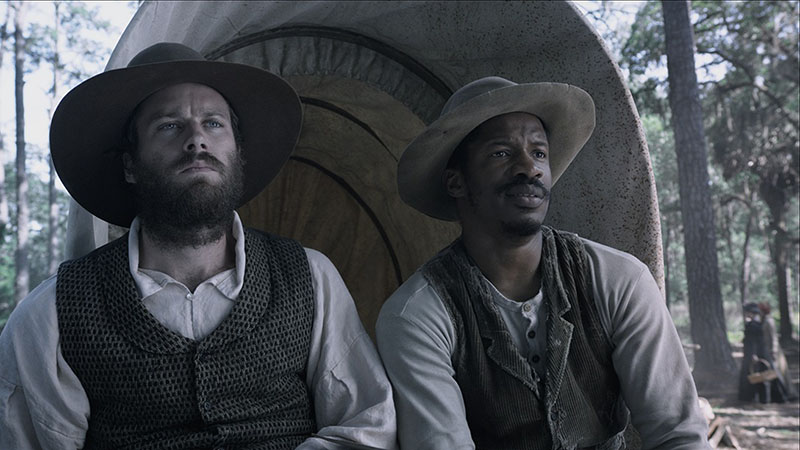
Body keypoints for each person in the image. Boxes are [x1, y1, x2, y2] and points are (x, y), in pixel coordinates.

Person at [0, 43, 396, 450]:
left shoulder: (308, 278)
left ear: (238, 153)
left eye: (213, 123)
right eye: (169, 126)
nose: (197, 141)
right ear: (130, 165)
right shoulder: (51, 317)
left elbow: (367, 429)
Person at [375, 76, 710, 449]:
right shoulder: (417, 315)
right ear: (456, 183)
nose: (529, 168)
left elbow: (677, 433)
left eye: (538, 153)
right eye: (501, 153)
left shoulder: (618, 279)